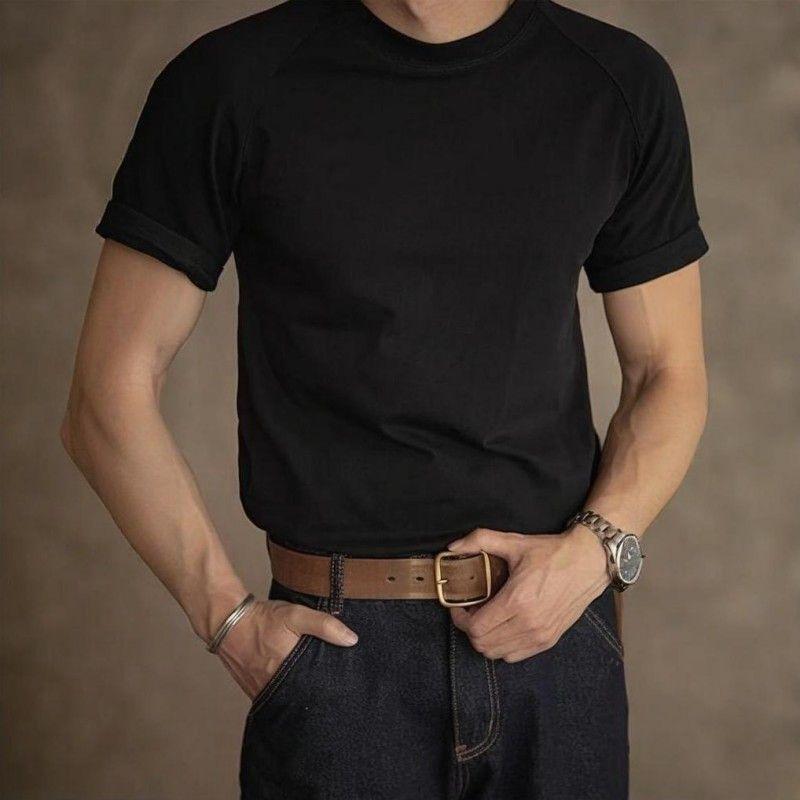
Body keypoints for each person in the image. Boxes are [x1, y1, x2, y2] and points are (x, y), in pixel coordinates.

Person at [62, 0, 710, 797]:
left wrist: (593, 555)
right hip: (337, 658)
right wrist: (229, 622)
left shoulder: (616, 83)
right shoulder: (229, 82)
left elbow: (666, 373)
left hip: (557, 633)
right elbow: (107, 393)